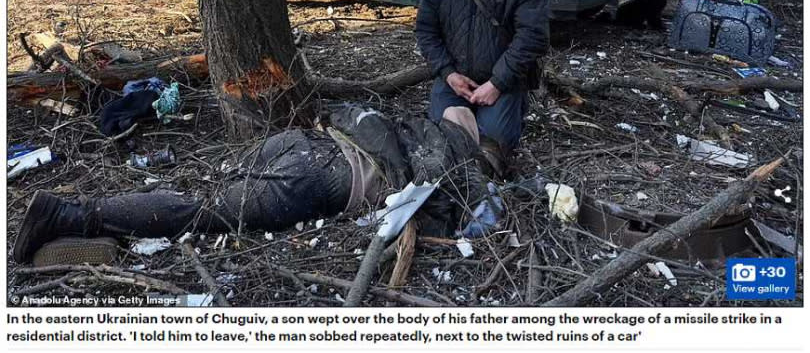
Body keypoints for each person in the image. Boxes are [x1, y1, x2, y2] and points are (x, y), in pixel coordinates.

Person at [13, 106, 496, 265]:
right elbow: (471, 224)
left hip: (301, 141)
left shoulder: (410, 125)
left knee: (211, 194)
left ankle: (111, 230)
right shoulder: (460, 165)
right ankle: (68, 214)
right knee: (208, 213)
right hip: (326, 177)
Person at [415, 0, 549, 175]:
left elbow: (532, 37)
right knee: (442, 142)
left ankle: (514, 107)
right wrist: (448, 73)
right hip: (455, 79)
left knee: (492, 150)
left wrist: (497, 83)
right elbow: (426, 31)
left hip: (503, 79)